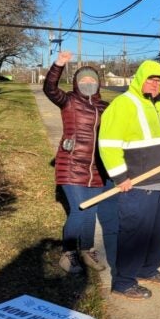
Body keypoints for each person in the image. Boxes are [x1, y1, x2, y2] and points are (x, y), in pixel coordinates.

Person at [98, 60, 160, 300]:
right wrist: (120, 177)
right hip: (139, 184)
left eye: (159, 80)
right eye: (150, 79)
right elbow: (108, 144)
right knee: (134, 234)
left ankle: (148, 270)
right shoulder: (124, 104)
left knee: (157, 233)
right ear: (140, 79)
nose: (154, 84)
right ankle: (124, 281)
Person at [43, 50, 116, 275]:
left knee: (91, 211)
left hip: (95, 169)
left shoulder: (105, 107)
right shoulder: (68, 101)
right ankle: (68, 254)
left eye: (91, 80)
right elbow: (50, 89)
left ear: (98, 84)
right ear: (76, 82)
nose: (87, 82)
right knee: (79, 210)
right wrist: (59, 64)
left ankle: (86, 250)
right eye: (83, 79)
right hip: (71, 165)